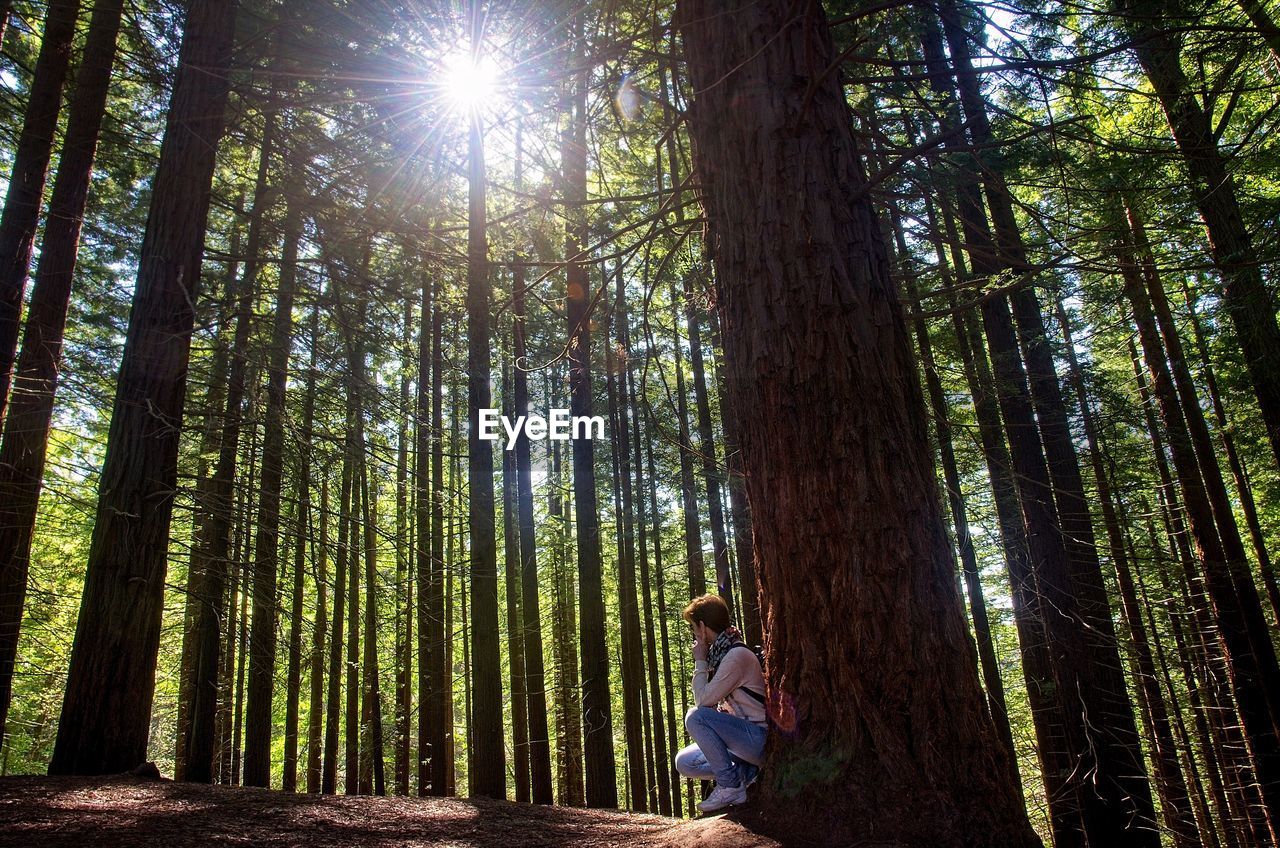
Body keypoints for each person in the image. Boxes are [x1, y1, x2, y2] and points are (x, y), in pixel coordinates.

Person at [674, 593, 767, 813]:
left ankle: (730, 785)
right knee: (685, 762)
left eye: (694, 628)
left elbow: (702, 701)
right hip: (739, 739)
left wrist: (700, 660)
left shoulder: (736, 656)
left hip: (758, 739)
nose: (694, 634)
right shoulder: (722, 653)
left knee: (695, 716)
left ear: (703, 627)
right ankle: (745, 773)